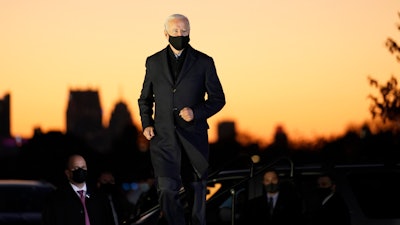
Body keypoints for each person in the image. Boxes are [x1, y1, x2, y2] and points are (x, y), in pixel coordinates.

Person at [137, 13, 226, 225]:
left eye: (185, 31)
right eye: (176, 31)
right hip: (163, 139)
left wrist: (196, 112)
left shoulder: (204, 62)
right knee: (167, 190)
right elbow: (145, 98)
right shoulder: (154, 61)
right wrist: (147, 123)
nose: (181, 34)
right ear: (166, 33)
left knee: (196, 193)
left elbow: (218, 99)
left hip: (193, 140)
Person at [42, 154, 114, 225]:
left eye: (83, 167)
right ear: (67, 173)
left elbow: (109, 220)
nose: (80, 171)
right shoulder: (55, 199)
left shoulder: (100, 196)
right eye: (76, 168)